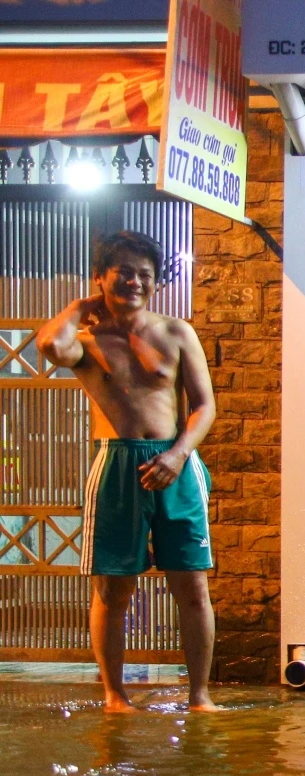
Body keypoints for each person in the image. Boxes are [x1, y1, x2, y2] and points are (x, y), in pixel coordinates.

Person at [35, 231, 218, 713]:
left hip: (176, 462)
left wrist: (178, 454)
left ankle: (200, 695)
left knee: (192, 584)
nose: (136, 281)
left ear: (156, 282)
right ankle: (115, 696)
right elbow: (51, 345)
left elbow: (204, 406)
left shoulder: (177, 332)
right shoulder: (89, 342)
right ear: (101, 277)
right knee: (112, 587)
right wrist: (80, 305)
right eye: (124, 272)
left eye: (145, 274)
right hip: (117, 462)